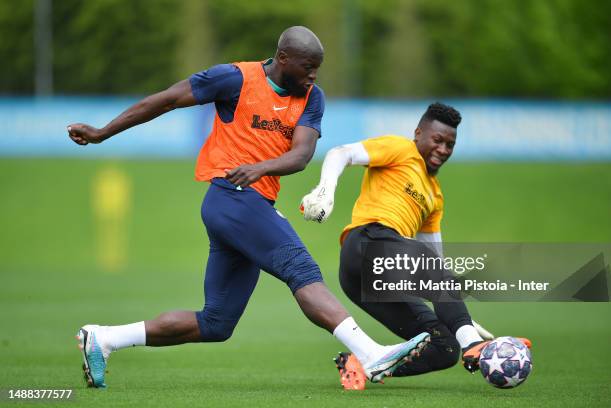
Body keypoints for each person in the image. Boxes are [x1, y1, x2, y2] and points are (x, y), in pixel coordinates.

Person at [67, 26, 430, 389]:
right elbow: (165, 100)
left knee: (216, 323)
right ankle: (369, 354)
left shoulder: (311, 97)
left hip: (247, 204)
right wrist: (102, 133)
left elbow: (301, 155)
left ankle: (105, 338)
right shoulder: (233, 78)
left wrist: (261, 168)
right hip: (230, 199)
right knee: (299, 266)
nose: (314, 75)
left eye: (317, 68)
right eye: (308, 66)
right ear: (283, 58)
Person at [300, 102, 531, 390]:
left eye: (450, 144)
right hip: (366, 246)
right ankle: (473, 345)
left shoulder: (434, 196)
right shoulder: (400, 149)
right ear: (418, 133)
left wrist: (461, 318)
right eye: (438, 140)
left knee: (446, 347)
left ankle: (365, 365)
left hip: (377, 279)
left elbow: (436, 268)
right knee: (426, 262)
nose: (443, 149)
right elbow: (340, 153)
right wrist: (325, 190)